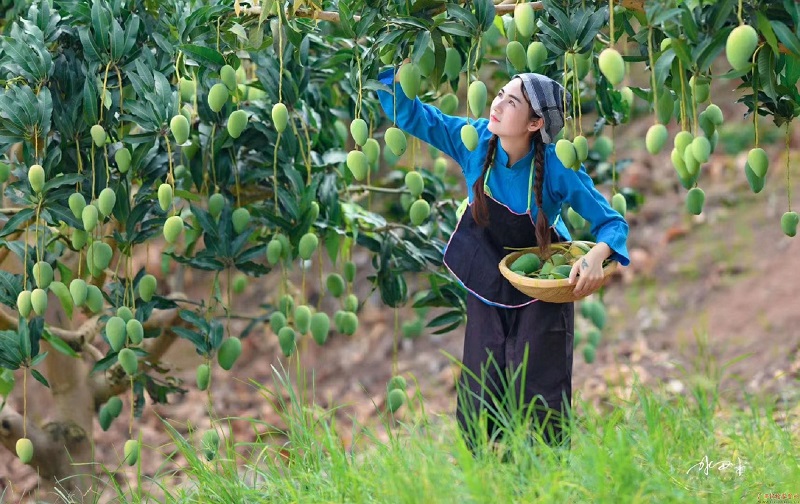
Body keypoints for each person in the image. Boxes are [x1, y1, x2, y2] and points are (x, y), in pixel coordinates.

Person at [375, 64, 630, 456]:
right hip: (488, 284)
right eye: (499, 95)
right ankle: (489, 482)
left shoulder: (559, 166)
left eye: (511, 102)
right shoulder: (474, 139)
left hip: (542, 294)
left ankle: (544, 485)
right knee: (480, 391)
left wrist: (597, 255)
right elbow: (414, 116)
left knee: (540, 393)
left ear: (533, 124)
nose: (496, 104)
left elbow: (612, 224)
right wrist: (394, 60)